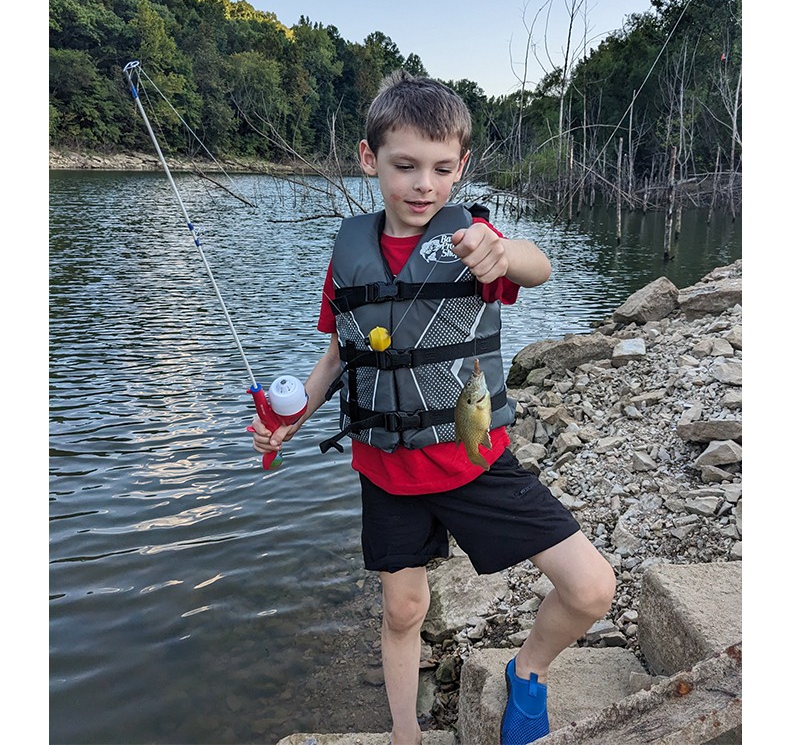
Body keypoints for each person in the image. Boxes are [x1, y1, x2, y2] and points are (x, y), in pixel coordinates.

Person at [251, 71, 616, 745]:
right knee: (402, 607)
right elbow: (337, 356)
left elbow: (537, 267)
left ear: (461, 167)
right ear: (369, 159)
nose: (424, 184)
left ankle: (527, 671)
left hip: (474, 457)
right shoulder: (349, 255)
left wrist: (500, 251)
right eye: (404, 166)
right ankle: (402, 730)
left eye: (441, 168)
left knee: (592, 587)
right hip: (388, 469)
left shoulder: (473, 240)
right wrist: (288, 419)